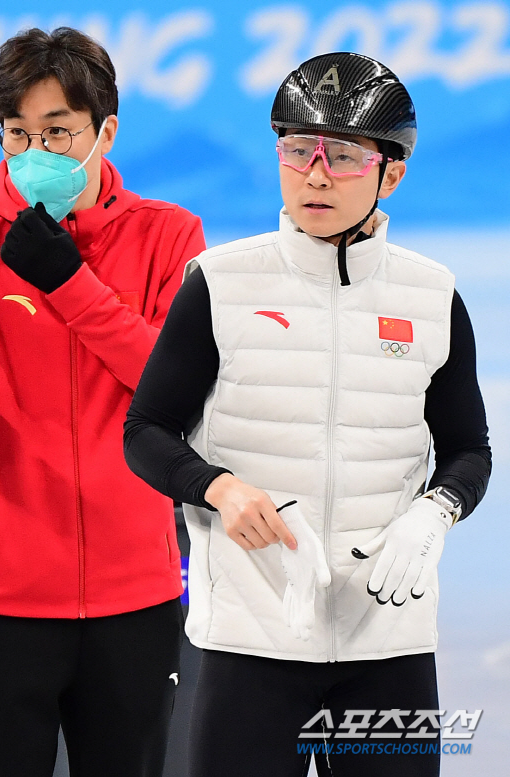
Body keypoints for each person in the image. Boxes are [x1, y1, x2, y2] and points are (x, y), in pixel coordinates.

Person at [124, 52, 491, 777]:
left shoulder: (432, 297)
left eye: (343, 156)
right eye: (298, 150)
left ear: (392, 174)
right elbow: (146, 431)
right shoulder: (220, 284)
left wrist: (435, 511)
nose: (315, 174)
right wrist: (219, 488)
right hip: (251, 639)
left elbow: (467, 448)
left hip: (388, 641)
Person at [0, 27, 205, 777]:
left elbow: (178, 383)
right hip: (0, 595)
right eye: (17, 132)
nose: (36, 151)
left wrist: (70, 283)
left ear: (106, 132)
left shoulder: (169, 235)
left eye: (58, 132)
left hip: (136, 594)